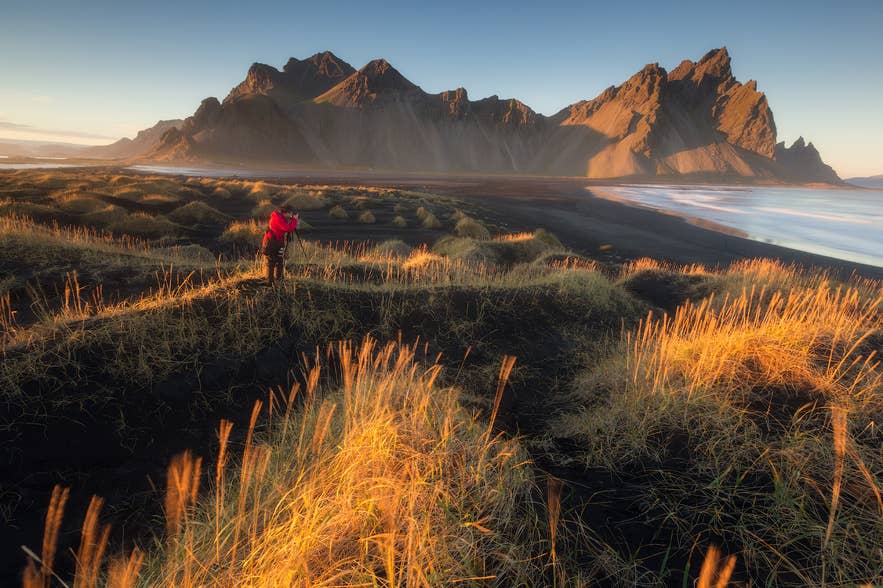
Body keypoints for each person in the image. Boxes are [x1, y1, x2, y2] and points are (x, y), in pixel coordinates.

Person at [262, 205, 299, 285]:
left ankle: (279, 279)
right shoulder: (277, 218)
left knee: (280, 260)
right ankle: (269, 282)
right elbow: (287, 228)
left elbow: (287, 227)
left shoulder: (281, 217)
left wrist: (292, 220)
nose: (291, 215)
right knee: (271, 261)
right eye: (290, 214)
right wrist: (294, 220)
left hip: (278, 242)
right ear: (286, 213)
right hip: (271, 242)